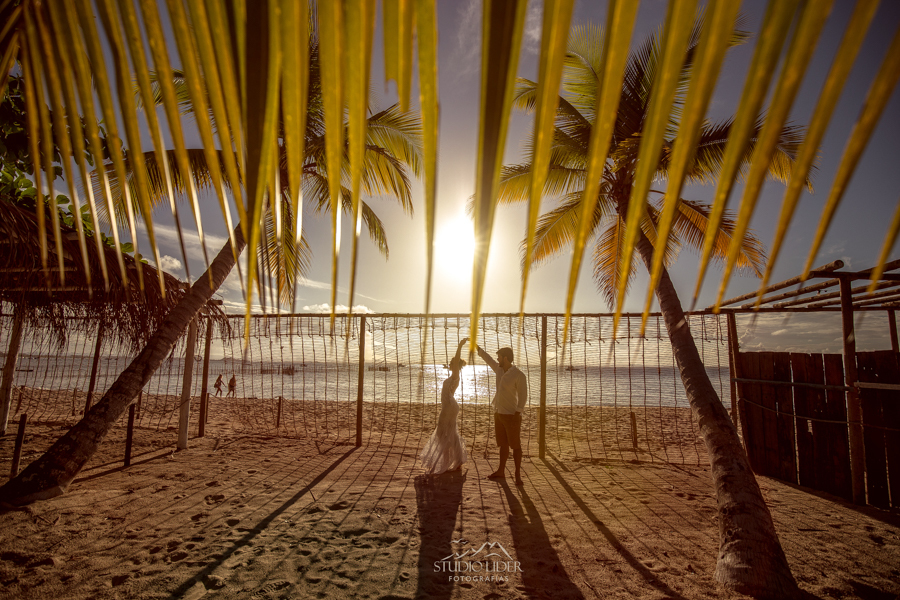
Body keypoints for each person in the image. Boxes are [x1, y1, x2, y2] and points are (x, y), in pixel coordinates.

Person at [475, 343, 528, 485]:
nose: (497, 359)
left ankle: (517, 474)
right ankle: (501, 471)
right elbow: (488, 359)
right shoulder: (498, 370)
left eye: (499, 357)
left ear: (505, 358)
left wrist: (518, 412)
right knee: (503, 445)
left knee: (515, 446)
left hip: (512, 415)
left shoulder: (518, 375)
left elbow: (523, 395)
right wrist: (477, 348)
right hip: (498, 414)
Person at [420, 338, 469, 474]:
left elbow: (457, 360)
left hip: (449, 407)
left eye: (452, 363)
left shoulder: (456, 375)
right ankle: (455, 461)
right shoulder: (453, 376)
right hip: (449, 406)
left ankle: (451, 462)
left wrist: (460, 345)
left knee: (443, 433)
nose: (450, 364)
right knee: (449, 434)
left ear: (456, 365)